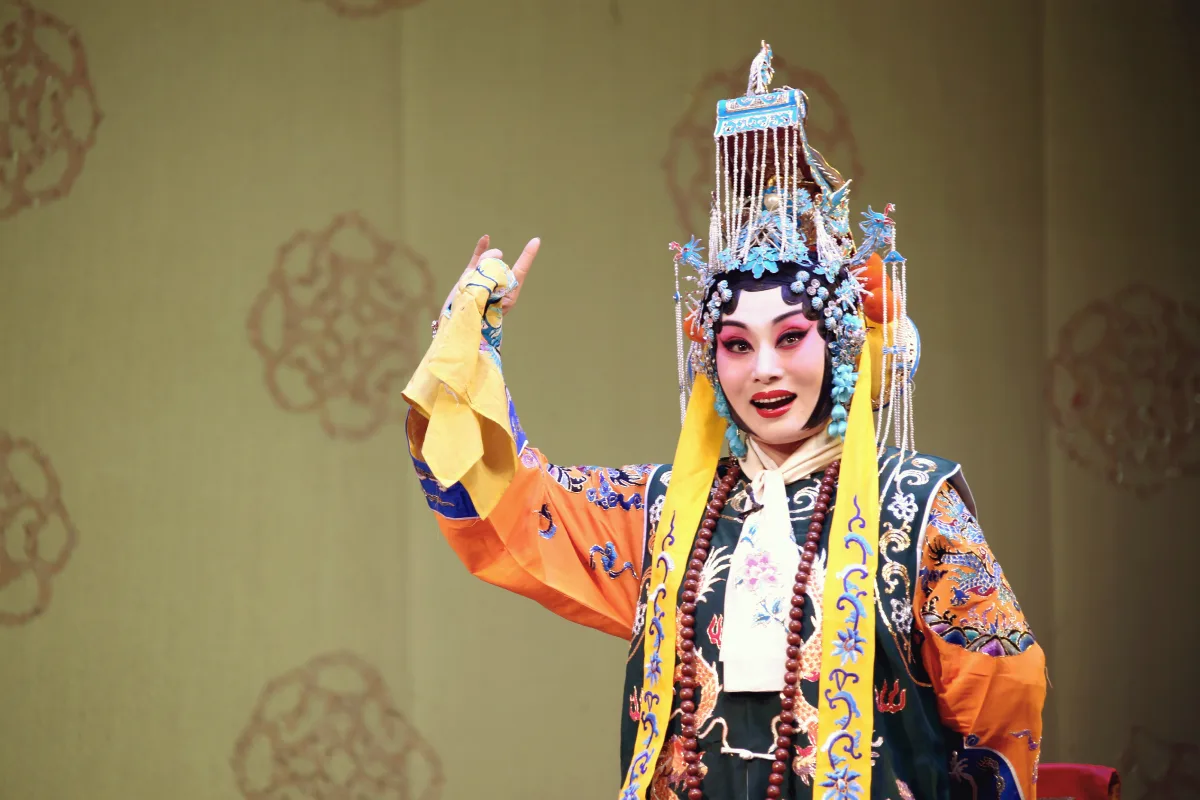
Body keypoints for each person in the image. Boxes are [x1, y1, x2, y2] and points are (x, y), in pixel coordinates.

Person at [402, 42, 1045, 800]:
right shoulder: (667, 512)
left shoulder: (916, 507)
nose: (764, 368)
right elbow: (516, 511)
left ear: (841, 347)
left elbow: (1001, 699)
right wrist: (468, 347)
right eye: (737, 345)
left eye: (791, 338)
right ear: (711, 362)